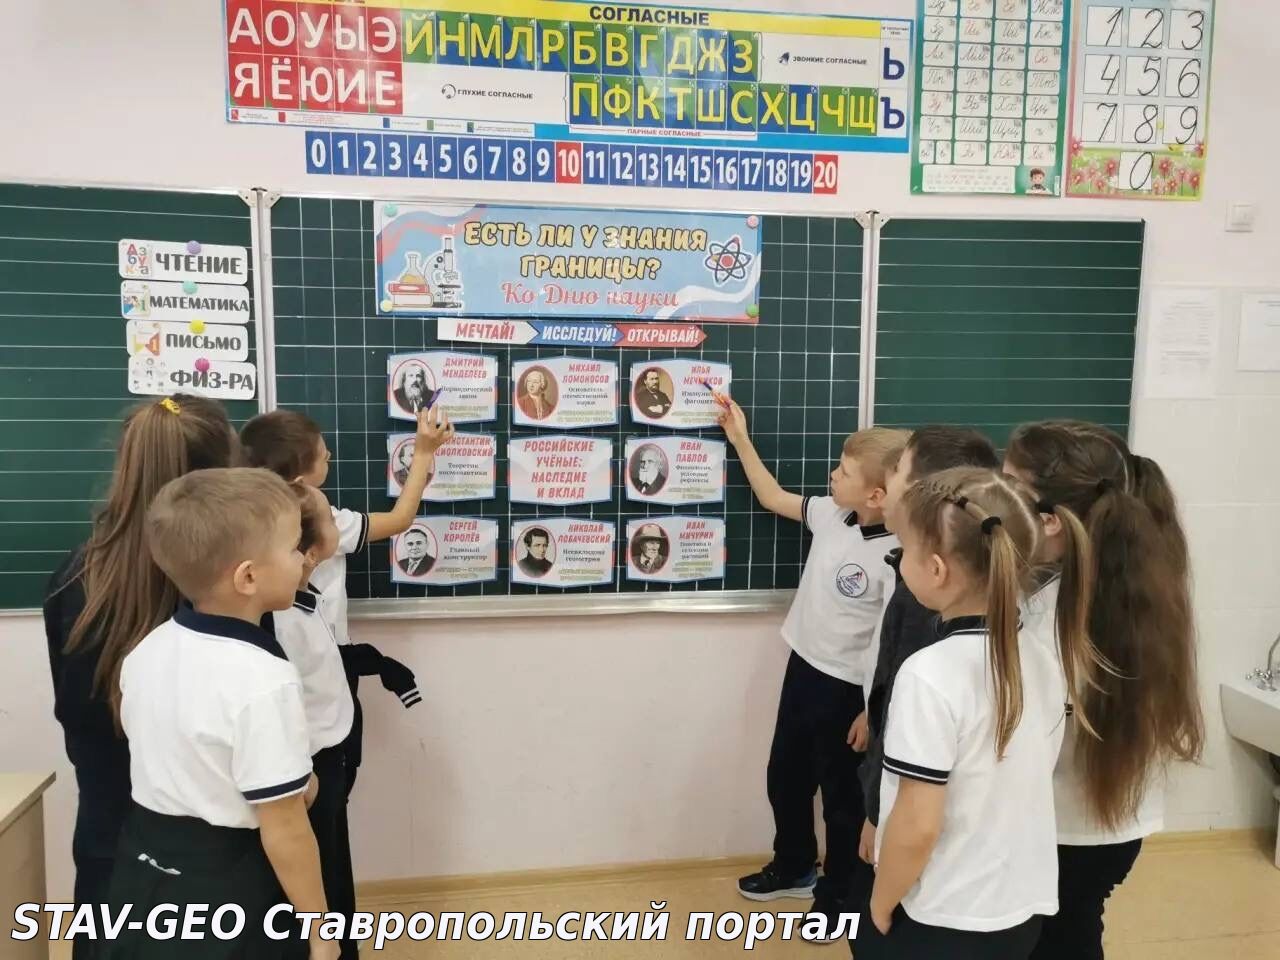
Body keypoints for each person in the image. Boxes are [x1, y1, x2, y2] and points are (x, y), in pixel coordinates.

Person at [859, 467, 1093, 958]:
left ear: (936, 569)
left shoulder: (929, 673)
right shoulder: (1042, 654)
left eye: (903, 552)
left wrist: (880, 902)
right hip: (1018, 909)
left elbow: (918, 824)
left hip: (942, 913)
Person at [102, 468, 335, 960]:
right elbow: (286, 829)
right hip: (229, 888)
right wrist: (321, 933)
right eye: (293, 547)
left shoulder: (147, 648)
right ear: (248, 577)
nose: (303, 557)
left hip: (142, 872)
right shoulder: (265, 679)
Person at [43, 393, 236, 958]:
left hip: (108, 833)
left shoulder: (72, 577)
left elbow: (74, 716)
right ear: (217, 478)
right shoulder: (224, 587)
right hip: (205, 849)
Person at [1006, 421, 1203, 960]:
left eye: (1010, 488)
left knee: (1056, 938)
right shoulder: (1142, 585)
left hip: (1063, 832)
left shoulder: (1049, 623)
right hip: (1116, 825)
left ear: (1050, 521)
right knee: (1074, 925)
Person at [719, 399, 907, 940]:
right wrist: (739, 437)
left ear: (877, 495)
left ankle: (838, 897)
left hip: (849, 692)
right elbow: (772, 496)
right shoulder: (831, 514)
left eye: (844, 471)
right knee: (785, 776)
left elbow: (894, 643)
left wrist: (873, 712)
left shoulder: (899, 554)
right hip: (804, 669)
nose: (832, 474)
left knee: (843, 802)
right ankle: (794, 865)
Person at [241, 404, 451, 795]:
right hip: (325, 664)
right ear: (301, 484)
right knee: (331, 770)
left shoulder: (244, 522)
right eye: (324, 456)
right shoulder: (321, 520)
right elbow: (400, 519)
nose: (331, 457)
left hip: (298, 668)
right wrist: (423, 452)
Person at [857, 427, 1001, 881]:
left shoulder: (928, 603)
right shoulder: (930, 581)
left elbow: (906, 724)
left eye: (898, 468)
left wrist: (876, 813)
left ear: (922, 491)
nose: (888, 476)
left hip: (915, 833)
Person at [276, 483, 359, 958]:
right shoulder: (282, 620)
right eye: (331, 518)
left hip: (330, 754)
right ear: (309, 553)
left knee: (334, 860)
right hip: (309, 767)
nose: (339, 523)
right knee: (321, 867)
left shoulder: (309, 599)